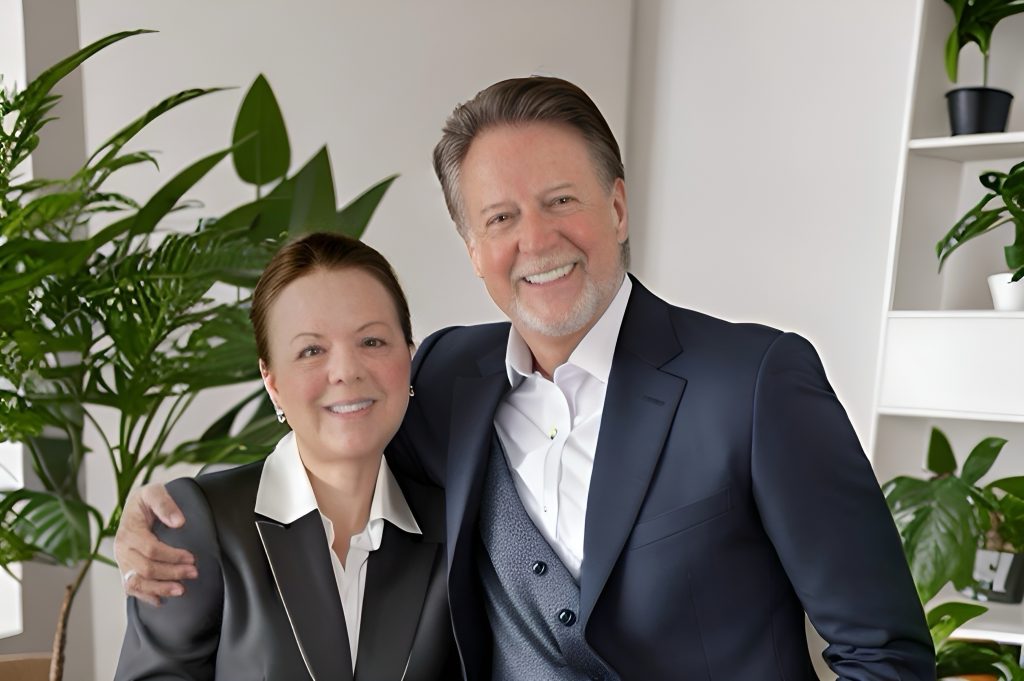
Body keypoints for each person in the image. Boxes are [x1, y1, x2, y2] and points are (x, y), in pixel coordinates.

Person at [115, 77, 935, 680]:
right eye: (501, 218)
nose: (536, 241)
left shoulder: (754, 382)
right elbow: (333, 433)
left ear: (618, 207)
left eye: (561, 201)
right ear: (473, 249)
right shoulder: (442, 378)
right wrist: (166, 516)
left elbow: (884, 654)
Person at [114, 233, 458, 681]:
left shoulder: (453, 526)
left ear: (409, 357)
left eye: (372, 341)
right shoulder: (199, 524)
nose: (346, 371)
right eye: (311, 350)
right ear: (271, 381)